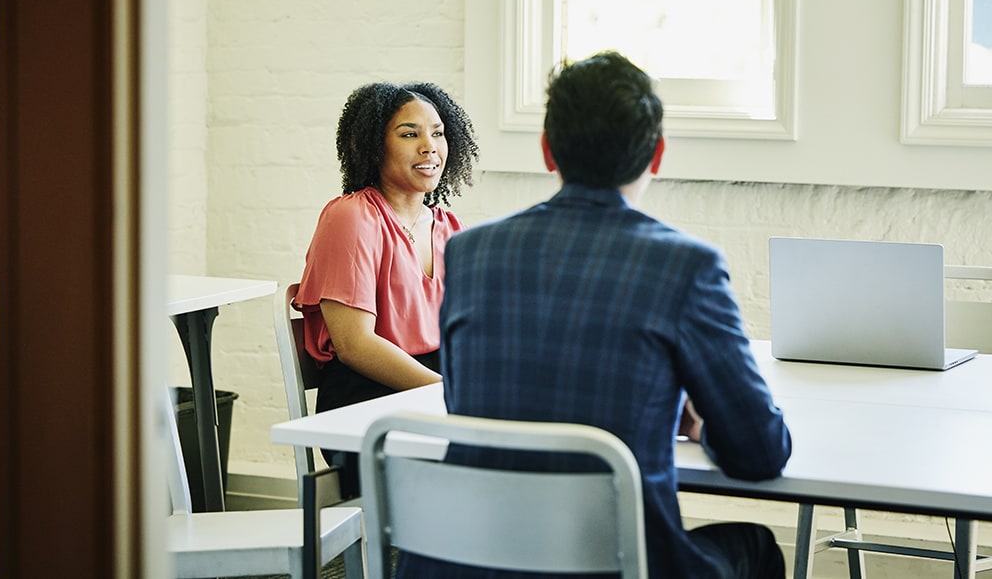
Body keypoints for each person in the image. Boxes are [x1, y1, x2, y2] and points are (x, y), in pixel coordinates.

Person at [400, 51, 792, 578]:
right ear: (656, 154)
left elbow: (472, 402)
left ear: (546, 150)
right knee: (756, 547)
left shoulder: (471, 252)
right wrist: (698, 426)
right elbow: (760, 453)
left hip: (467, 558)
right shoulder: (684, 266)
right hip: (613, 564)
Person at [294, 81, 479, 498]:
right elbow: (355, 345)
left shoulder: (451, 229)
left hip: (434, 391)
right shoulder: (352, 217)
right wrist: (449, 397)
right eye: (409, 134)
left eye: (438, 132)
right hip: (366, 403)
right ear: (374, 147)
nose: (429, 146)